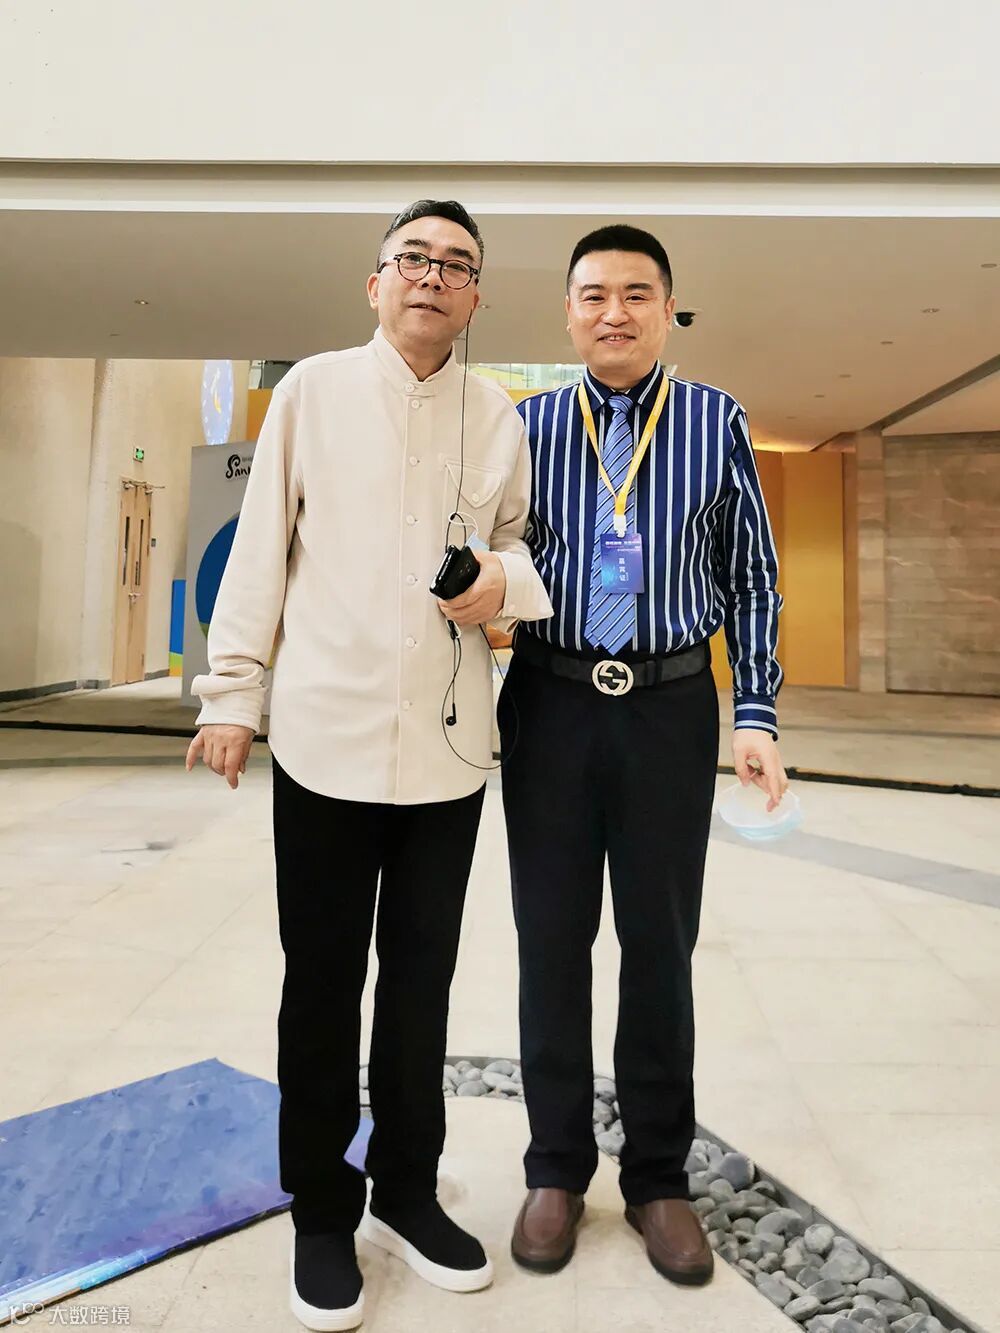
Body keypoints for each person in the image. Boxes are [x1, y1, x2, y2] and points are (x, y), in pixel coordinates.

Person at [185, 199, 552, 1333]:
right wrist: (232, 693)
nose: (432, 276)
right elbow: (259, 551)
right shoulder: (313, 392)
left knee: (420, 984)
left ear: (477, 295)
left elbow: (520, 548)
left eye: (456, 265)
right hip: (326, 740)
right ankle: (320, 1207)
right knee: (322, 983)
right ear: (376, 281)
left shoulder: (497, 415)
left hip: (448, 750)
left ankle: (404, 1189)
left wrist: (501, 586)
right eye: (413, 258)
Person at [500, 225, 786, 1287]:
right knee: (550, 940)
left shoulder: (715, 420)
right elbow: (493, 556)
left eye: (634, 293)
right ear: (568, 311)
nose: (612, 312)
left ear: (667, 308)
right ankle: (555, 1168)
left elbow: (752, 575)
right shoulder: (525, 425)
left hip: (669, 707)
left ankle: (659, 1177)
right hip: (552, 702)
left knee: (659, 946)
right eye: (593, 294)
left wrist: (754, 712)